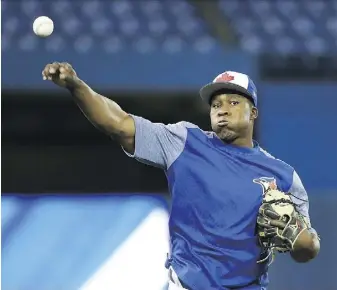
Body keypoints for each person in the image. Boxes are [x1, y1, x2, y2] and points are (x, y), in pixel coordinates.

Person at [42, 63, 320, 290]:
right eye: (216, 104)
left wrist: (301, 239)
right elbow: (119, 124)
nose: (222, 109)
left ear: (254, 112)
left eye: (234, 102)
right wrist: (76, 86)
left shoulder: (282, 175)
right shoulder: (185, 142)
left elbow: (307, 249)